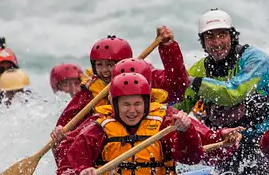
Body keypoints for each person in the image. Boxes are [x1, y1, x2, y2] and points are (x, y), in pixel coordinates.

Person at [55, 74, 230, 175]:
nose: (132, 110)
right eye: (126, 104)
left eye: (137, 104)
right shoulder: (95, 131)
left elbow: (191, 157)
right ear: (114, 105)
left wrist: (187, 132)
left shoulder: (164, 126)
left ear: (146, 103)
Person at [178, 9, 269, 175]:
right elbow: (179, 107)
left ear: (232, 36)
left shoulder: (256, 60)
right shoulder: (200, 69)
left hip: (266, 144)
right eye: (210, 37)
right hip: (229, 145)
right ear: (203, 42)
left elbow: (233, 93)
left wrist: (194, 82)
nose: (217, 42)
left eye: (222, 35)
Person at [52, 26, 188, 136]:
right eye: (99, 65)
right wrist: (61, 132)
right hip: (112, 146)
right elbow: (68, 125)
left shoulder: (145, 77)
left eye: (110, 65)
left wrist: (169, 48)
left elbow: (178, 87)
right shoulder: (89, 91)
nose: (104, 71)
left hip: (149, 140)